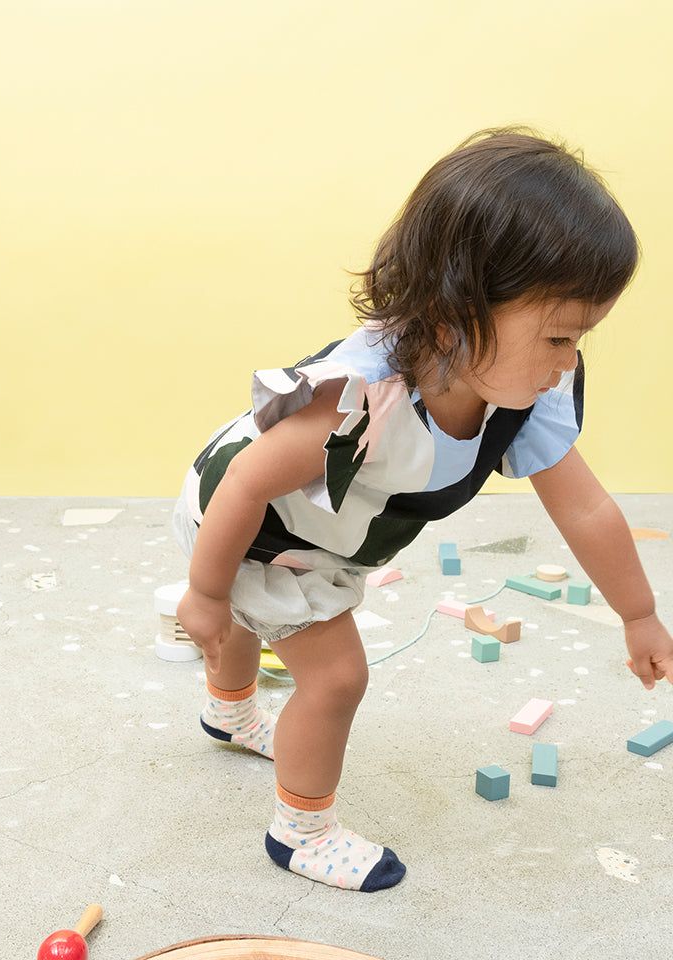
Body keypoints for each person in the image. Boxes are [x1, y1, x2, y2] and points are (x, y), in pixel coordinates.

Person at [173, 128, 673, 892]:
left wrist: (639, 615)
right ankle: (301, 832)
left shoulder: (521, 394)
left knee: (252, 622)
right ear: (456, 312)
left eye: (581, 339)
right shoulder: (364, 400)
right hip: (250, 528)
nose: (568, 362)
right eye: (559, 336)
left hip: (311, 536)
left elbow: (588, 510)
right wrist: (205, 591)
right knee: (333, 677)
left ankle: (229, 713)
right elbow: (244, 484)